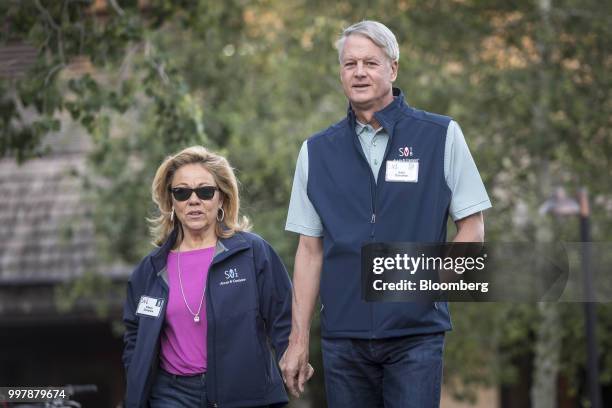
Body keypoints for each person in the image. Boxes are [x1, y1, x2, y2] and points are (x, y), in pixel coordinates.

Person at [280, 20, 492, 407]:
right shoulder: (316, 151)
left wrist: (421, 291)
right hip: (343, 341)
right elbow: (309, 251)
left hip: (416, 338)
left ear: (393, 69)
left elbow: (472, 231)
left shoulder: (441, 135)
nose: (359, 72)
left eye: (371, 63)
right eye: (350, 64)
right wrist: (298, 341)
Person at [123, 146, 301, 408]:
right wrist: (135, 380)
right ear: (171, 201)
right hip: (171, 395)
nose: (193, 200)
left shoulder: (251, 252)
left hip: (243, 389)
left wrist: (293, 355)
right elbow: (135, 336)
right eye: (182, 192)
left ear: (222, 198)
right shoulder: (149, 270)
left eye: (205, 191)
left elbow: (283, 314)